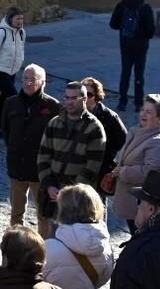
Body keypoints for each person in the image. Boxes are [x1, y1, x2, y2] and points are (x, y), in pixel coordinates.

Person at [36, 82, 108, 239]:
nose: (69, 101)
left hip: (78, 202)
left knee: (75, 242)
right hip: (53, 197)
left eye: (74, 98)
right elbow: (43, 156)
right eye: (67, 98)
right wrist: (49, 186)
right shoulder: (54, 123)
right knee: (53, 240)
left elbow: (92, 168)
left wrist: (68, 193)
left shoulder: (95, 128)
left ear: (84, 99)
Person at [1, 64, 59, 230]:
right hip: (17, 167)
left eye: (32, 79)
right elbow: (5, 130)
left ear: (42, 82)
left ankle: (43, 249)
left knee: (43, 214)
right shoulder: (11, 103)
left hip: (40, 171)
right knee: (16, 213)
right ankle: (16, 246)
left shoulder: (52, 106)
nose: (27, 83)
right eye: (25, 78)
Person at [102, 94, 160, 233]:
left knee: (138, 234)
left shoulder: (157, 141)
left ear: (159, 117)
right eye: (143, 110)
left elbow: (150, 171)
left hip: (139, 203)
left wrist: (123, 172)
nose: (143, 114)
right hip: (128, 198)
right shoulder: (136, 130)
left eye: (149, 112)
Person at [109, 0, 157, 110]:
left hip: (125, 45)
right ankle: (138, 103)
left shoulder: (121, 5)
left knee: (125, 73)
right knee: (139, 75)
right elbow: (151, 31)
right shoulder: (146, 7)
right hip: (141, 47)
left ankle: (122, 101)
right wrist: (140, 32)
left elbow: (113, 24)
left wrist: (125, 29)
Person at [82, 77, 130, 188]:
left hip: (99, 170)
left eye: (89, 95)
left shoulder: (110, 117)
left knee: (98, 203)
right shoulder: (75, 113)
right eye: (82, 93)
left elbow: (124, 141)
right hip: (78, 168)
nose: (85, 98)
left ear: (97, 97)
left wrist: (109, 157)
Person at [0, 7, 28, 122]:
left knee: (3, 98)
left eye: (22, 19)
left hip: (12, 71)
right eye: (17, 19)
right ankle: (18, 120)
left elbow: (20, 50)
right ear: (10, 18)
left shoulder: (22, 33)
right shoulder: (0, 33)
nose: (20, 21)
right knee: (13, 95)